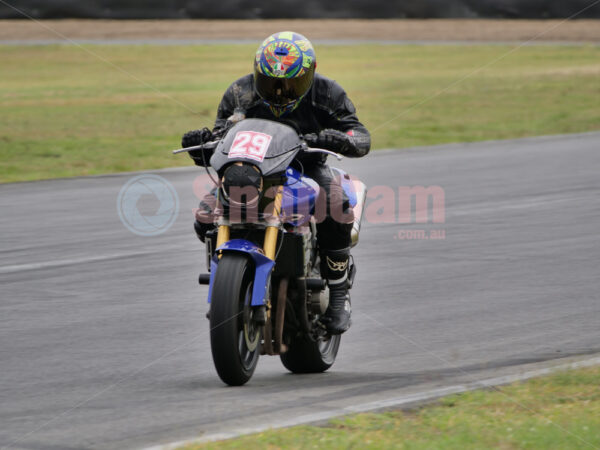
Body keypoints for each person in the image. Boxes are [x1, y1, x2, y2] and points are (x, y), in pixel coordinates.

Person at [181, 31, 370, 334]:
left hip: (306, 167)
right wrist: (200, 143)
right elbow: (220, 138)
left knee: (335, 205)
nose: (281, 92)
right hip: (253, 170)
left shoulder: (327, 92)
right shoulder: (240, 91)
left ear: (310, 73)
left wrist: (337, 138)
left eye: (291, 83)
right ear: (258, 73)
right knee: (205, 216)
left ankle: (338, 293)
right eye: (271, 83)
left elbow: (359, 135)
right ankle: (225, 280)